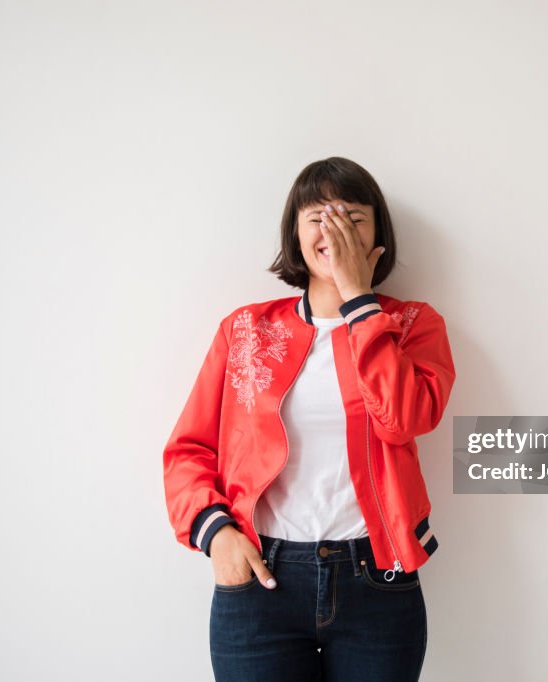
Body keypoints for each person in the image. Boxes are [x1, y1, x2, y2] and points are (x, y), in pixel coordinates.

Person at [162, 156, 456, 681]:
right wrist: (217, 534)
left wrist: (360, 300)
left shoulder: (413, 326)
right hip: (260, 578)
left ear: (377, 236)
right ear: (295, 234)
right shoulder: (245, 331)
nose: (334, 228)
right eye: (318, 215)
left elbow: (402, 419)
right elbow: (189, 450)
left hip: (378, 579)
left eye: (352, 216)